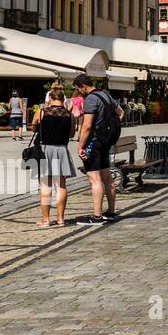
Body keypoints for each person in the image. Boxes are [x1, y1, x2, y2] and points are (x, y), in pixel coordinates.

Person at [74, 75, 118, 225]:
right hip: (106, 142)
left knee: (95, 179)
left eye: (78, 90)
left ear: (83, 86)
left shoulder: (90, 100)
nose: (79, 93)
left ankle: (97, 217)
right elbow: (121, 113)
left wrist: (80, 145)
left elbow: (86, 126)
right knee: (107, 178)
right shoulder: (106, 96)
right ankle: (111, 212)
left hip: (93, 142)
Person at [33, 88, 76, 227]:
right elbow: (71, 134)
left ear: (50, 98)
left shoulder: (41, 112)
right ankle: (60, 219)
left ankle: (45, 220)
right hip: (62, 150)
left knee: (46, 185)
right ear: (63, 100)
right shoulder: (70, 115)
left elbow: (34, 128)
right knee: (61, 186)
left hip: (45, 149)